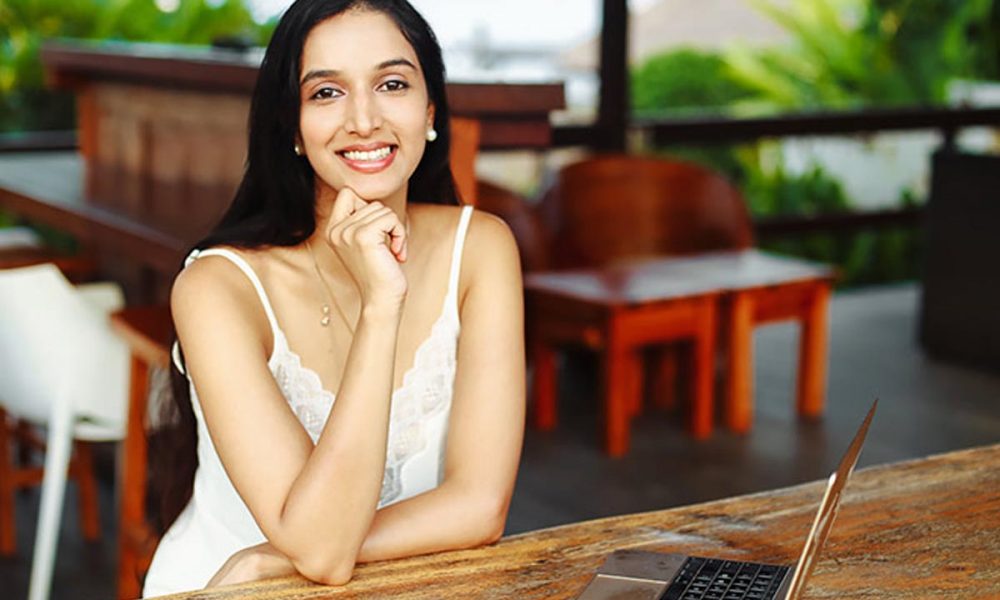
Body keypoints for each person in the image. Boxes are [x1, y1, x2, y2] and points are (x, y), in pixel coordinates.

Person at [141, 0, 525, 595]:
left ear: (430, 111)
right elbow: (320, 552)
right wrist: (381, 306)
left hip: (380, 583)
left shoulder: (481, 249)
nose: (364, 119)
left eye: (391, 83)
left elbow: (480, 506)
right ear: (292, 127)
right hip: (228, 586)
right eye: (326, 93)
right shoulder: (216, 288)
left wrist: (279, 554)